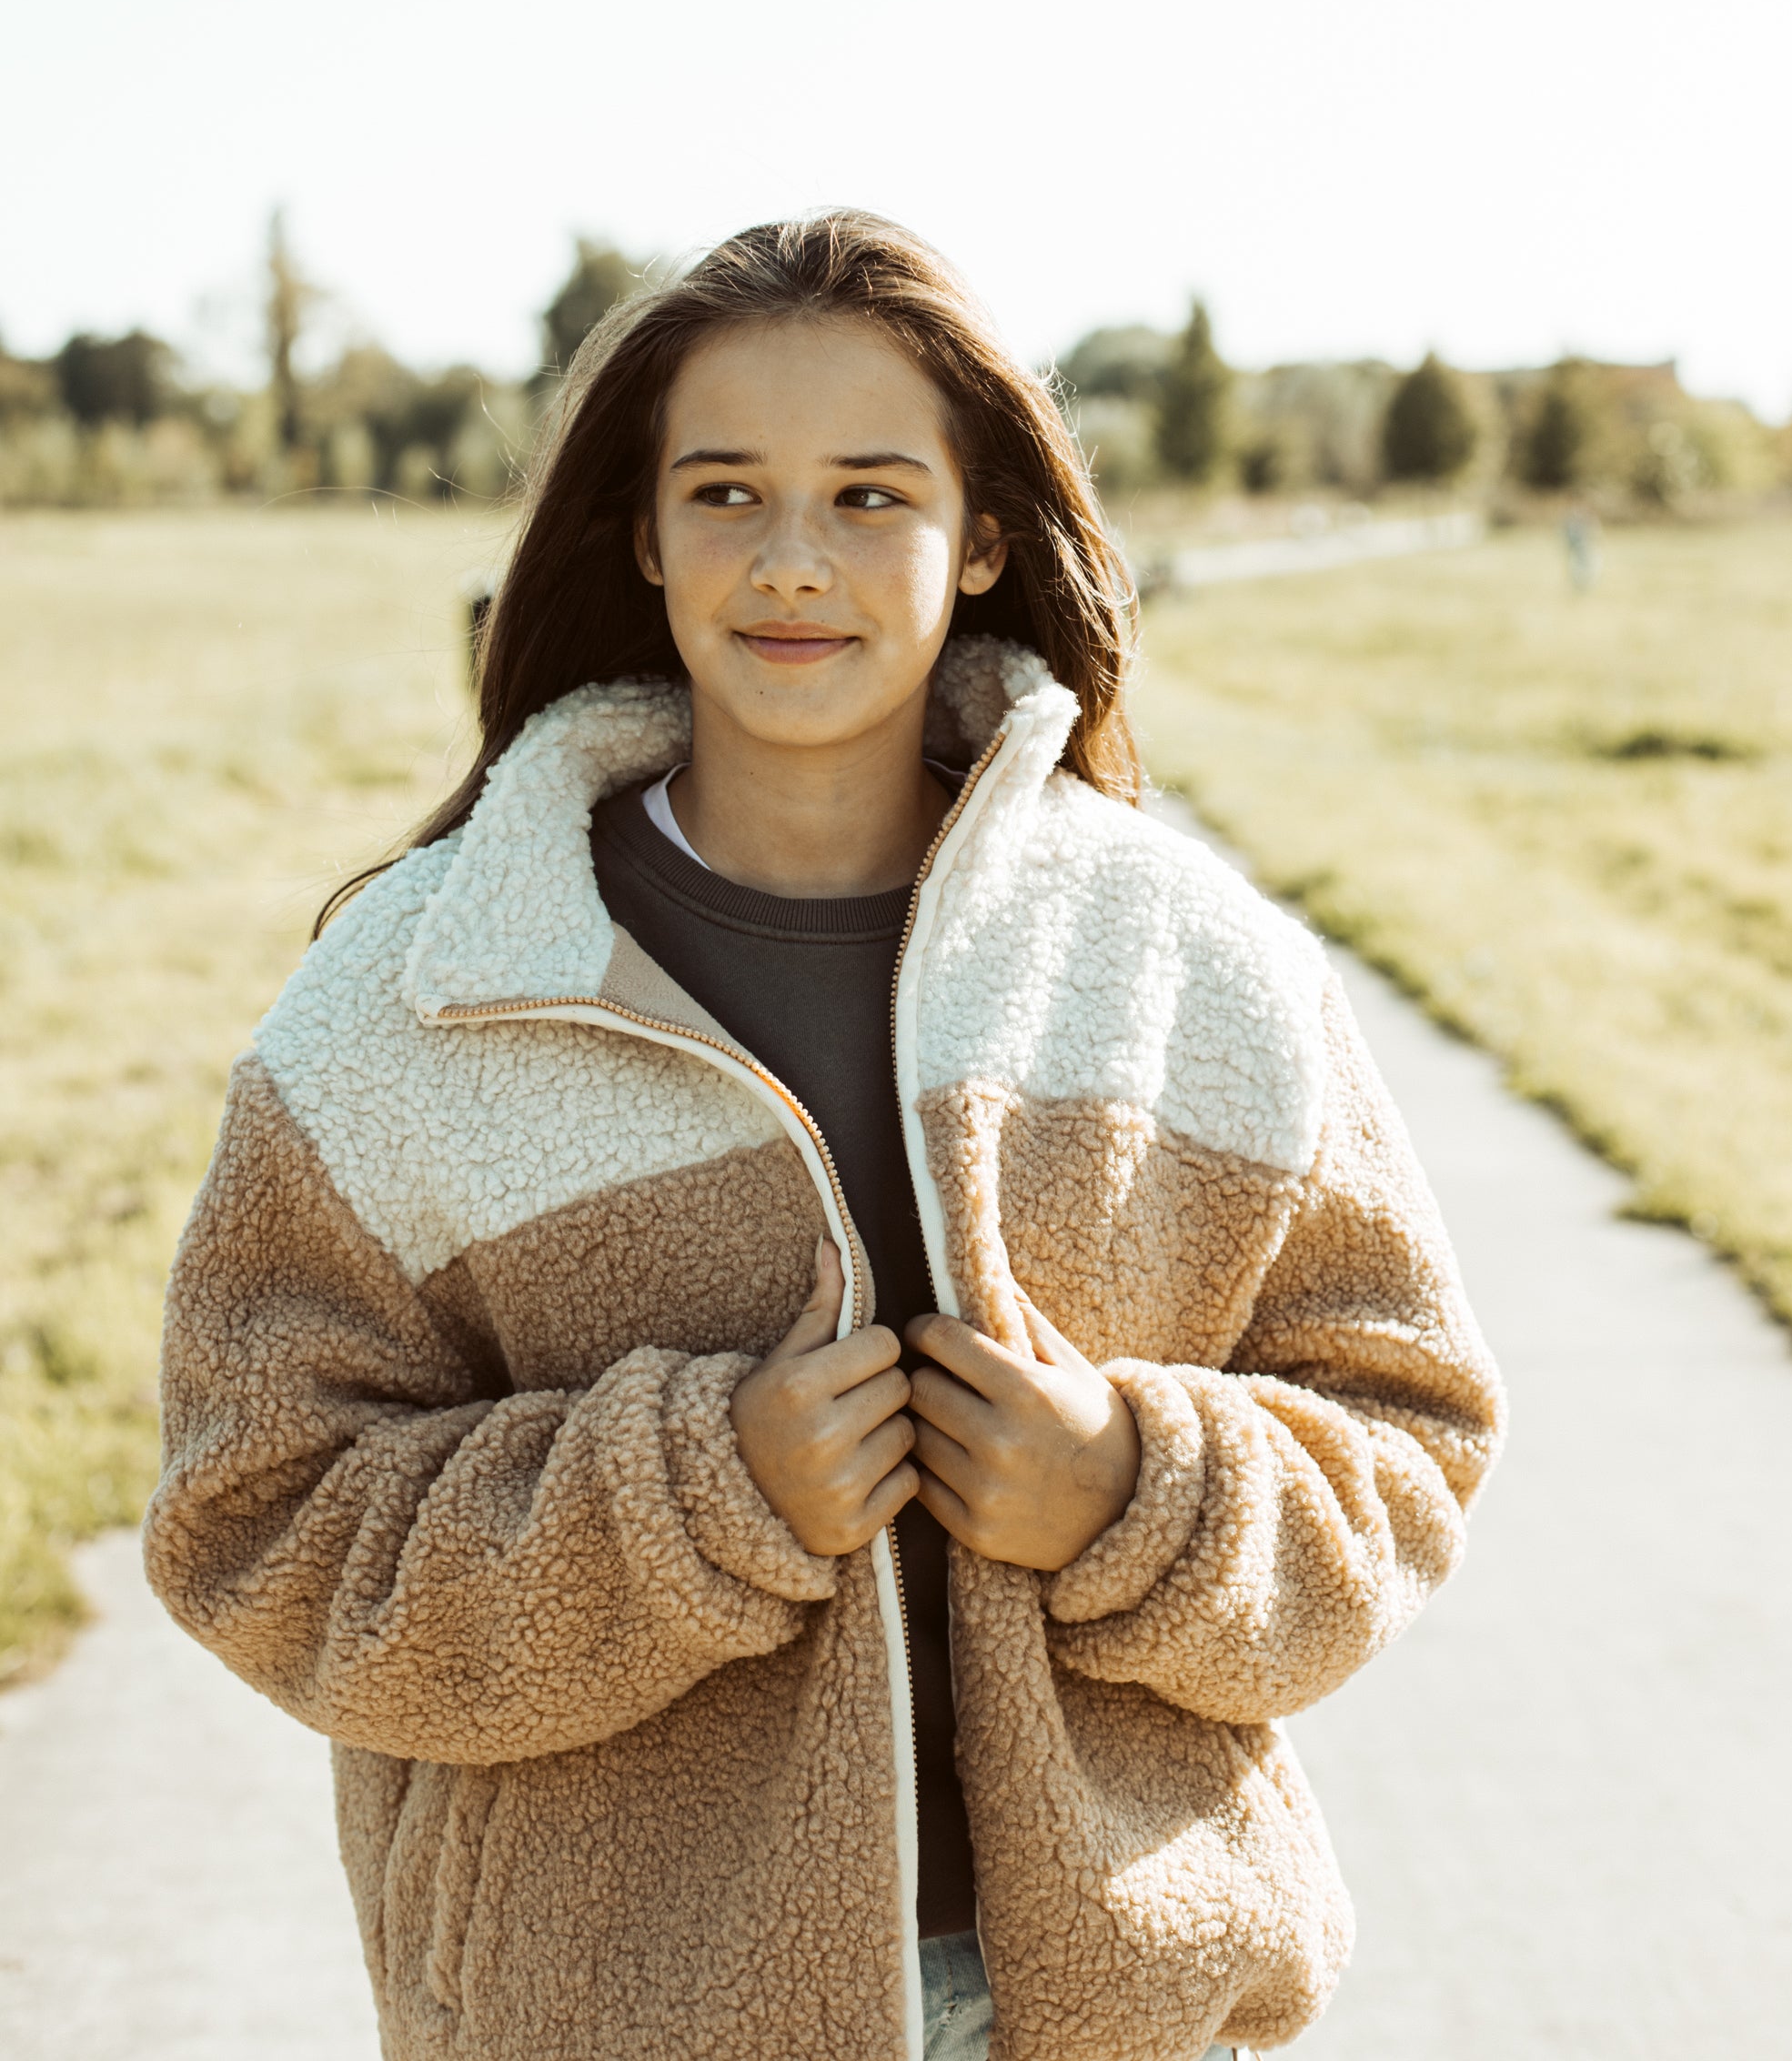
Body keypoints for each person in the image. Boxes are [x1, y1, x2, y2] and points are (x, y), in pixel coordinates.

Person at [146, 213, 1505, 2061]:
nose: (793, 562)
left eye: (871, 496)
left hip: (1110, 2013)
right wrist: (695, 1500)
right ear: (642, 532)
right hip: (607, 2018)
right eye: (726, 493)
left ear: (984, 538)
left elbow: (1404, 1437)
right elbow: (261, 1522)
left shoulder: (1190, 964)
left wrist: (1131, 1489)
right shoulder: (412, 997)